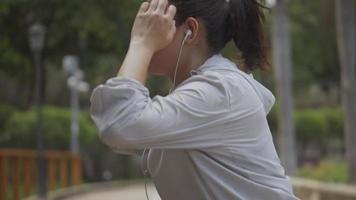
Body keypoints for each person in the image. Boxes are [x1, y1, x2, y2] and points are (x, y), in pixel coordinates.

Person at [89, 0, 300, 199]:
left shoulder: (221, 91)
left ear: (190, 31)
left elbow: (119, 121)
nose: (142, 29)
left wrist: (141, 44)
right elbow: (120, 127)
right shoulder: (197, 93)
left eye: (156, 21)